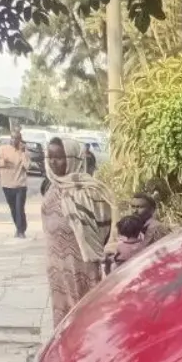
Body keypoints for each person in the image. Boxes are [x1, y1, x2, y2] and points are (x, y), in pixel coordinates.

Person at [41, 136, 113, 320]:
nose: (53, 162)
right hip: (57, 266)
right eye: (50, 157)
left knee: (85, 315)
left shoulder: (88, 191)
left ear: (73, 158)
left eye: (59, 157)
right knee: (62, 314)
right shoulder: (52, 188)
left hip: (82, 266)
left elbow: (104, 226)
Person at [0, 128, 31, 237]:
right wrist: (4, 162)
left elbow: (27, 166)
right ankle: (19, 227)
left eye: (17, 138)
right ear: (10, 138)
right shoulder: (2, 149)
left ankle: (21, 231)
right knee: (13, 209)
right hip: (6, 184)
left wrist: (23, 153)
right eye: (13, 138)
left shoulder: (23, 151)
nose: (14, 140)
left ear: (20, 140)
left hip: (20, 185)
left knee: (19, 208)